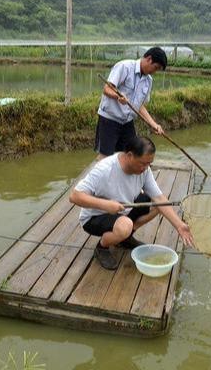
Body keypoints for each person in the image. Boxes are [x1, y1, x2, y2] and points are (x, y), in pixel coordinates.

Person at [70, 136, 194, 270]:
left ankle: (124, 238)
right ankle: (102, 248)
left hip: (123, 210)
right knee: (125, 226)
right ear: (129, 155)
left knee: (157, 205)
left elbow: (159, 198)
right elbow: (74, 196)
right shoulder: (105, 169)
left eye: (149, 163)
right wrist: (106, 205)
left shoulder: (145, 171)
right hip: (95, 217)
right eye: (143, 163)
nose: (146, 168)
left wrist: (179, 226)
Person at [95, 47, 167, 160]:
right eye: (156, 67)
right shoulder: (125, 67)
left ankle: (122, 177)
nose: (155, 72)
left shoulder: (148, 81)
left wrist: (153, 124)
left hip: (127, 122)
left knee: (130, 153)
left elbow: (139, 106)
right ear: (149, 59)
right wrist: (118, 96)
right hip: (110, 119)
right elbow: (107, 89)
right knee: (105, 156)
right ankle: (100, 176)